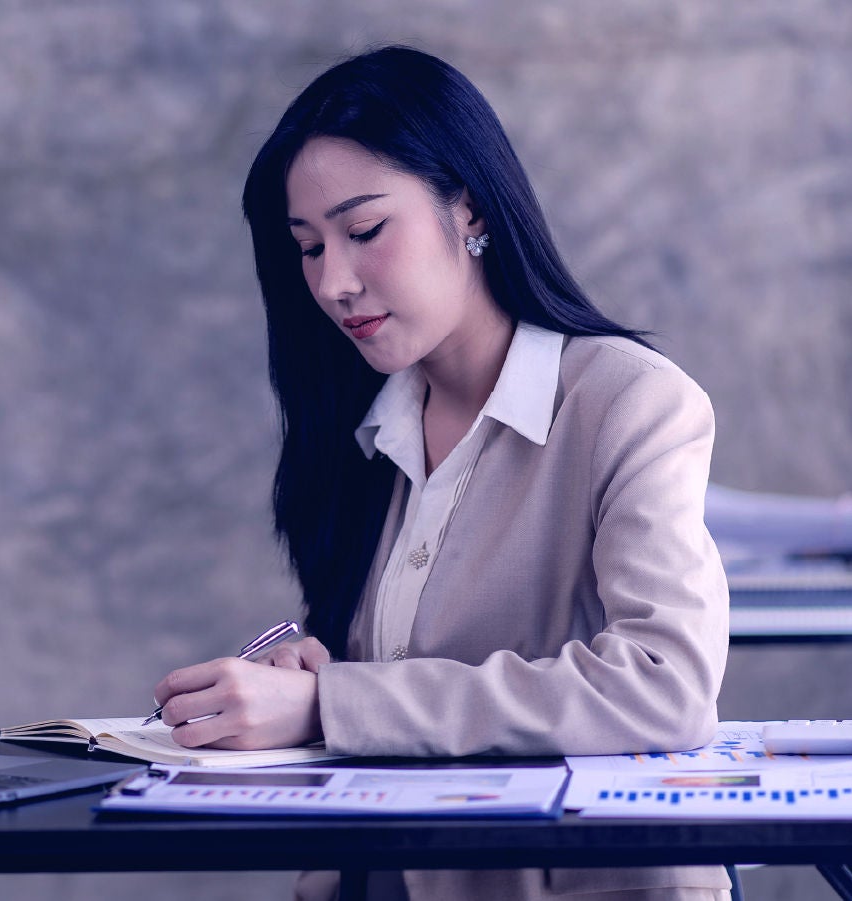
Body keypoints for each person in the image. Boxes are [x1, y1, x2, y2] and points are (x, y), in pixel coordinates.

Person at [151, 46, 732, 900]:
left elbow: (663, 686)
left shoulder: (629, 403)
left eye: (363, 231)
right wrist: (312, 685)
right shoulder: (361, 429)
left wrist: (335, 706)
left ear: (466, 209)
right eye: (307, 248)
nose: (333, 282)